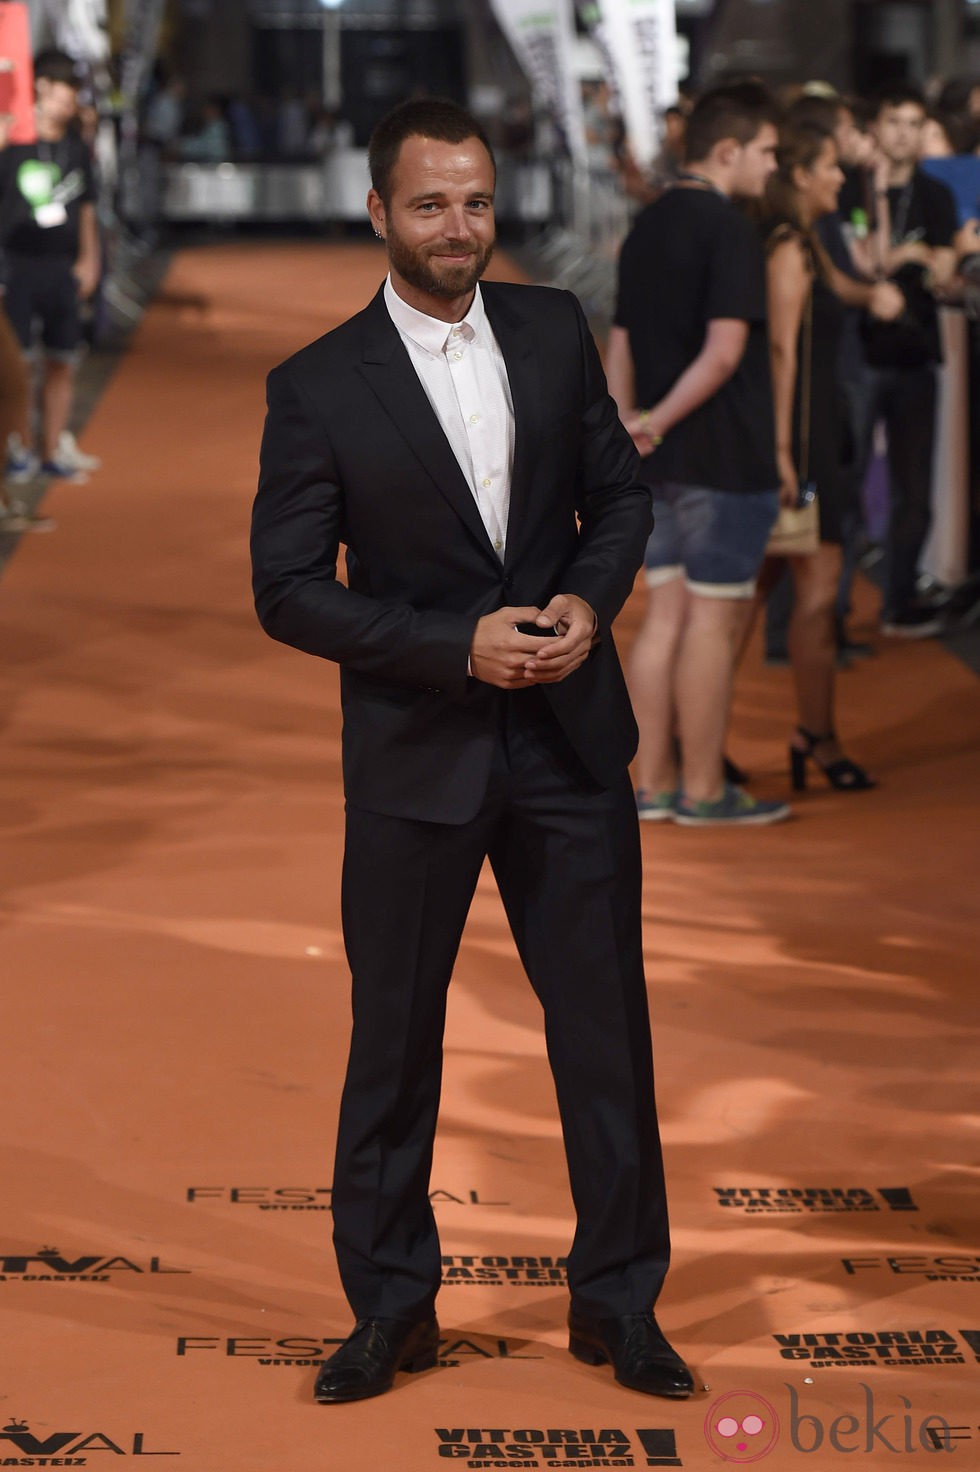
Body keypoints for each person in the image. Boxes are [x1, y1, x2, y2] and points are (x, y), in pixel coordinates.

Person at [251, 97, 692, 1406]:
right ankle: (390, 1305)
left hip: (568, 742)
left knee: (605, 1035)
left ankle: (621, 1304)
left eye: (479, 202)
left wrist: (588, 605)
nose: (461, 227)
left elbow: (617, 498)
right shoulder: (319, 385)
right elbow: (287, 589)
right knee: (393, 1044)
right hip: (415, 757)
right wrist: (458, 647)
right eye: (433, 204)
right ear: (379, 211)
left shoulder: (554, 329)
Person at [606, 81, 790, 826]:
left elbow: (618, 341)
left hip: (660, 466)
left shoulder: (644, 226)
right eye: (768, 152)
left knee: (665, 617)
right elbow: (724, 354)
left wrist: (631, 425)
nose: (772, 167)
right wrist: (651, 421)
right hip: (721, 454)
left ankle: (650, 786)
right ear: (729, 149)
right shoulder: (730, 230)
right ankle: (706, 788)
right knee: (712, 621)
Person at [761, 121, 903, 791]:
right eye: (828, 167)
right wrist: (787, 455)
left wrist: (872, 290)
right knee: (815, 593)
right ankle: (814, 736)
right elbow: (782, 350)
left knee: (755, 591)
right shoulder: (788, 248)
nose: (840, 177)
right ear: (799, 176)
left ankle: (698, 738)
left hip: (812, 439)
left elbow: (839, 290)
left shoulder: (806, 243)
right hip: (805, 449)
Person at [840, 83, 959, 637]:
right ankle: (830, 611)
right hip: (859, 357)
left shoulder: (935, 194)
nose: (905, 133)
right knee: (847, 480)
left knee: (915, 486)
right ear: (877, 128)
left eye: (916, 123)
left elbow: (947, 266)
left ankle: (900, 600)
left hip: (916, 358)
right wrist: (913, 255)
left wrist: (921, 257)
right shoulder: (852, 191)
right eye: (896, 122)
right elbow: (868, 264)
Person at [0, 48, 100, 484]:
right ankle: (16, 448)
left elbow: (87, 208)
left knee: (62, 359)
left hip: (61, 266)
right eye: (63, 91)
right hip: (16, 264)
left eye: (74, 94)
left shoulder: (76, 148)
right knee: (15, 365)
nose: (69, 101)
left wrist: (90, 258)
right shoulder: (12, 142)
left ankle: (52, 448)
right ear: (40, 86)